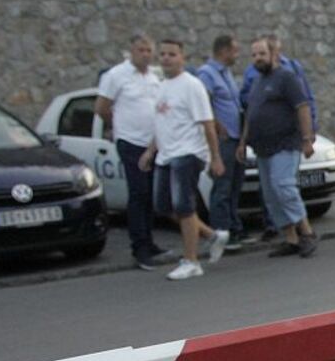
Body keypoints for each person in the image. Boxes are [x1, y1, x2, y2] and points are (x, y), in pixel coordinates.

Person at [140, 39, 229, 281]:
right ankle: (212, 235)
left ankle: (191, 261)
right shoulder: (161, 87)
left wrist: (215, 157)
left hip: (188, 153)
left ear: (182, 57)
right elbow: (162, 124)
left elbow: (208, 124)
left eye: (172, 54)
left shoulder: (192, 86)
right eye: (163, 54)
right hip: (165, 155)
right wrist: (150, 151)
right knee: (163, 206)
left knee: (184, 207)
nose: (166, 58)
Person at [94, 33, 172, 271]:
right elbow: (102, 107)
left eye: (149, 51)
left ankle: (149, 240)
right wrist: (118, 127)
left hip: (153, 143)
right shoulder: (116, 75)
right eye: (141, 50)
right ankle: (139, 247)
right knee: (138, 193)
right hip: (131, 142)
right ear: (132, 51)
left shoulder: (154, 76)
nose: (146, 55)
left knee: (149, 194)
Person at [238, 37, 318, 258]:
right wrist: (243, 142)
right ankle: (291, 239)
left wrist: (307, 139)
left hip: (285, 144)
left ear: (274, 54)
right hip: (262, 147)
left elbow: (302, 106)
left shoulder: (287, 77)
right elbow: (250, 114)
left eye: (262, 54)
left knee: (283, 186)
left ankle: (307, 233)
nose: (257, 58)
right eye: (254, 55)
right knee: (272, 195)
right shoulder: (257, 82)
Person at [195, 34, 253, 250]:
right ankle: (221, 232)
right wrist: (217, 125)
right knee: (222, 187)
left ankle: (234, 227)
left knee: (235, 185)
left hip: (236, 137)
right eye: (234, 51)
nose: (237, 55)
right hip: (223, 138)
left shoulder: (226, 73)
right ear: (224, 51)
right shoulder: (207, 74)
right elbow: (204, 103)